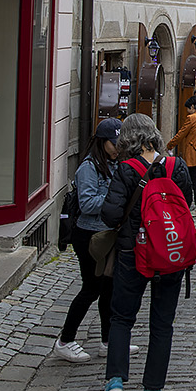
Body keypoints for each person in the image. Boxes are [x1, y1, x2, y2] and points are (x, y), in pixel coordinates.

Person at [95, 114, 193, 391]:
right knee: (162, 324)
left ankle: (115, 379)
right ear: (154, 135)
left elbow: (110, 216)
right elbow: (185, 205)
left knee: (122, 318)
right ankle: (153, 389)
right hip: (170, 254)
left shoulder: (127, 170)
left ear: (126, 139)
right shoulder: (177, 167)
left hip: (132, 254)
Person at [54, 118, 123, 363]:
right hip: (89, 236)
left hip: (107, 234)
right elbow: (87, 204)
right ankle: (65, 340)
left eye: (119, 144)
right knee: (90, 289)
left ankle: (107, 341)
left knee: (108, 290)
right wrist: (114, 199)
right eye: (113, 144)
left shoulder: (115, 164)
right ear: (101, 142)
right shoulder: (89, 168)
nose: (116, 148)